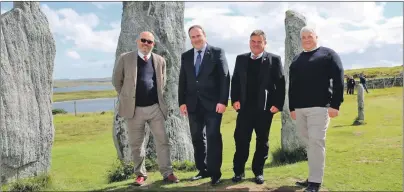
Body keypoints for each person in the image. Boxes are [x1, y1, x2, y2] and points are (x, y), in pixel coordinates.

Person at [112, 31, 179, 186]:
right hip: (134, 110)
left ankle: (167, 173)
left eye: (149, 42)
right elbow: (117, 81)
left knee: (163, 141)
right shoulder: (125, 58)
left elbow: (162, 83)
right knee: (136, 144)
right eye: (143, 40)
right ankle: (140, 174)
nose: (146, 44)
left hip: (155, 108)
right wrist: (127, 98)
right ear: (137, 41)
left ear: (153, 45)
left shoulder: (160, 60)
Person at [289, 26, 344, 192]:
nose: (306, 39)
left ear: (316, 37)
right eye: (303, 37)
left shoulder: (328, 54)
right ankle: (312, 176)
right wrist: (292, 107)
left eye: (309, 36)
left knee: (316, 142)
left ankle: (315, 182)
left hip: (320, 108)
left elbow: (339, 79)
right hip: (299, 109)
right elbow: (292, 86)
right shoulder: (297, 60)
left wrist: (335, 104)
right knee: (310, 144)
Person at [230, 29, 285, 184]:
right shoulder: (240, 59)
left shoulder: (274, 59)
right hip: (244, 109)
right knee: (241, 140)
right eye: (253, 41)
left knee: (262, 142)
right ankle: (239, 172)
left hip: (265, 109)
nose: (255, 44)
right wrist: (234, 99)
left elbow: (280, 84)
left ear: (264, 43)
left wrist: (277, 105)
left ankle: (258, 172)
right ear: (249, 42)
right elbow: (235, 81)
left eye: (259, 42)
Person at [178, 25, 230, 185]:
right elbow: (183, 80)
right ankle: (203, 169)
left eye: (198, 36)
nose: (196, 39)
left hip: (213, 105)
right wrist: (182, 102)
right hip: (193, 104)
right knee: (197, 138)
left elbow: (225, 77)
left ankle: (215, 173)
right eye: (192, 37)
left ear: (204, 35)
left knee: (213, 137)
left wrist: (223, 101)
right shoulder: (186, 56)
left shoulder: (217, 52)